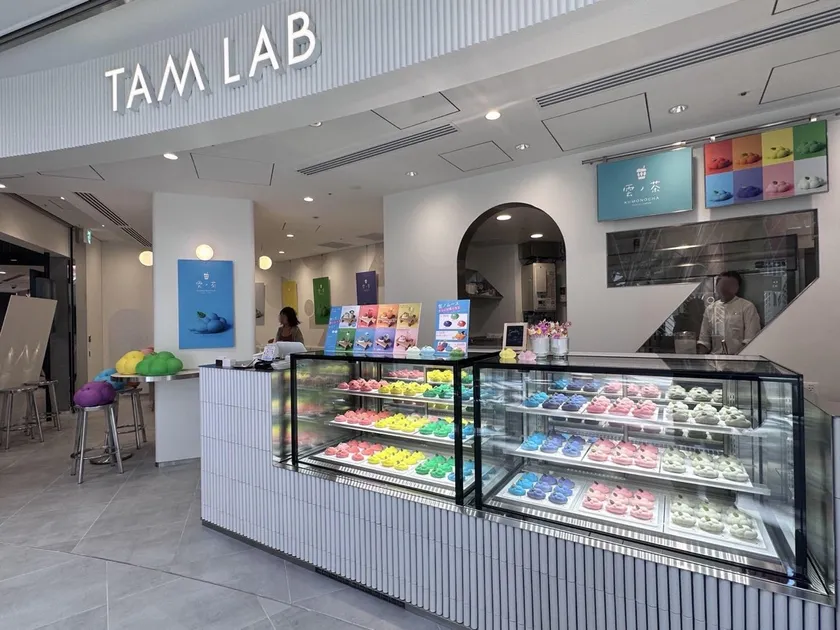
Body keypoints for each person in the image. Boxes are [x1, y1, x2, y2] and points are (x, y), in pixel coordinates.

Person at [697, 271, 761, 355]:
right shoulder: (710, 309)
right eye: (722, 285)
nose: (725, 289)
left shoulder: (747, 307)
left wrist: (736, 358)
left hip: (739, 359)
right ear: (716, 286)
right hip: (715, 359)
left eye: (730, 286)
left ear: (737, 288)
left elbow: (751, 339)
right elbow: (704, 341)